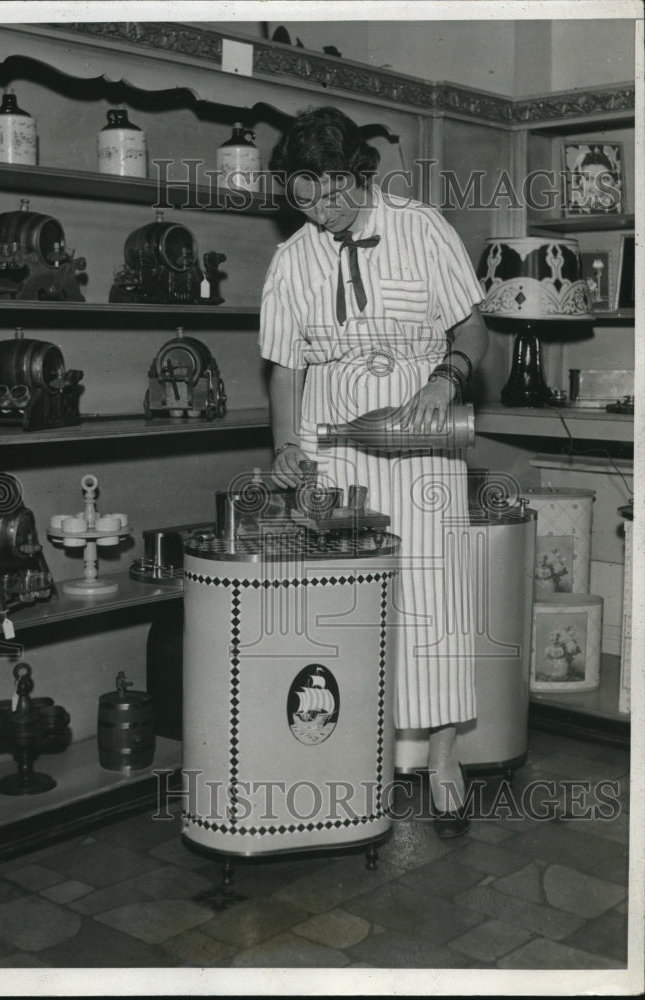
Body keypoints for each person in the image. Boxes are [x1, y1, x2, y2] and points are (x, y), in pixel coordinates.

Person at [259, 106, 489, 838]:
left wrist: (444, 382)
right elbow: (283, 368)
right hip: (333, 445)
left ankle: (443, 757)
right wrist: (285, 448)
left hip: (421, 440)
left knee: (432, 593)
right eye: (304, 198)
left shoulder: (420, 226)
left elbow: (472, 326)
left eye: (331, 193)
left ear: (358, 173)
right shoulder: (292, 257)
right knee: (345, 602)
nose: (321, 211)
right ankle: (352, 757)